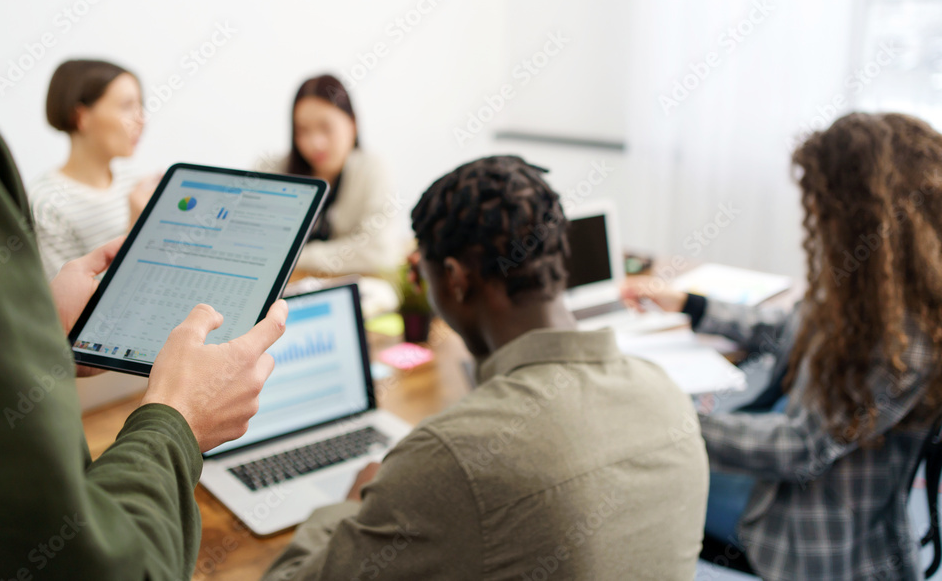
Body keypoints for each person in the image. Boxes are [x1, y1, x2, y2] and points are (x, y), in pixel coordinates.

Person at [0, 0, 286, 579]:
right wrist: (178, 416)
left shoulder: (139, 183)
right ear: (81, 112)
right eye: (125, 105)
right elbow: (81, 560)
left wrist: (41, 336)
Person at [261, 156, 709, 580]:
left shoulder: (448, 458)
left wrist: (350, 505)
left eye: (423, 273)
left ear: (454, 277)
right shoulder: (666, 394)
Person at [622, 112, 942, 581]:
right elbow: (791, 327)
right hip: (795, 473)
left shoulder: (906, 338)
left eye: (821, 206)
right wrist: (690, 304)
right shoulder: (879, 289)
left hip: (811, 525)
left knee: (635, 480)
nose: (814, 220)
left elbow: (799, 449)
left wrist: (669, 422)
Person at [255, 74, 399, 277]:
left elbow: (380, 252)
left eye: (326, 128)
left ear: (352, 124)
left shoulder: (372, 168)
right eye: (302, 130)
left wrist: (295, 257)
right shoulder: (271, 169)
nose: (315, 143)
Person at [30, 59, 161, 280]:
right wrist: (135, 231)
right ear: (81, 117)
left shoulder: (133, 182)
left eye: (141, 106)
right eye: (127, 106)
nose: (142, 119)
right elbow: (69, 306)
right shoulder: (45, 204)